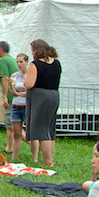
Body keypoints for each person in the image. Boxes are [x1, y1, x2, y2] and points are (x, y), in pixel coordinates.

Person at [24, 39, 61, 167]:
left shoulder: (35, 65)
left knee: (41, 130)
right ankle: (51, 157)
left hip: (40, 97)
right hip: (54, 95)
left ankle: (48, 161)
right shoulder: (56, 63)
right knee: (50, 128)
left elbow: (29, 84)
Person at [0, 41, 17, 153]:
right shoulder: (12, 59)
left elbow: (5, 78)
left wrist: (4, 96)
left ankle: (10, 147)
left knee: (9, 123)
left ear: (1, 49)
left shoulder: (3, 60)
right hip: (17, 95)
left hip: (10, 95)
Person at [8, 53, 29, 162]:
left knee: (31, 132)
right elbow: (12, 92)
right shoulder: (14, 75)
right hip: (16, 106)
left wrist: (19, 93)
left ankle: (35, 154)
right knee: (17, 134)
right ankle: (14, 157)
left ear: (26, 62)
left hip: (27, 106)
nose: (19, 64)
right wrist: (11, 89)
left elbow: (30, 92)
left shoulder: (30, 75)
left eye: (21, 62)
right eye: (17, 62)